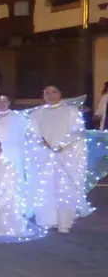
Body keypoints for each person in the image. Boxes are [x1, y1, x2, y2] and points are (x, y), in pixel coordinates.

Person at [27, 83, 90, 232]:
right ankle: (47, 220)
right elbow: (31, 133)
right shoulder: (37, 114)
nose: (51, 95)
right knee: (46, 187)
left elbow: (77, 131)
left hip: (65, 156)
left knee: (64, 189)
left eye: (54, 92)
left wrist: (61, 145)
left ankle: (64, 222)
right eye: (47, 92)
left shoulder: (71, 112)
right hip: (44, 156)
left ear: (60, 94)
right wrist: (41, 143)